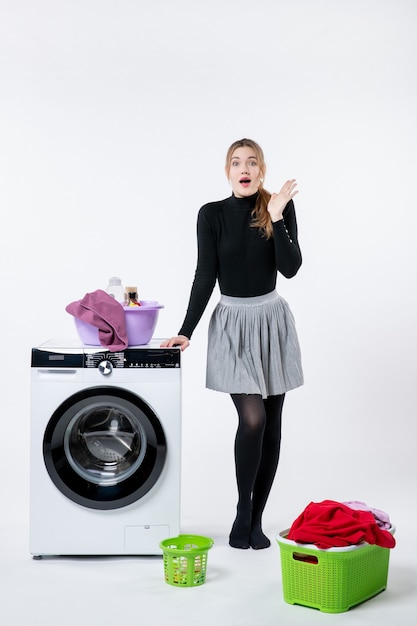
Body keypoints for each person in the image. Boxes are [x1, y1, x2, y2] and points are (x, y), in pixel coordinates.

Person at [161, 138, 303, 549]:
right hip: (233, 326)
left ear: (262, 170)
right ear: (228, 171)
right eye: (237, 162)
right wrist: (186, 329)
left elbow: (290, 269)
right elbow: (205, 274)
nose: (245, 168)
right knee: (253, 419)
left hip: (272, 322)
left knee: (271, 425)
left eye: (252, 162)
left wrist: (276, 216)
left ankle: (255, 519)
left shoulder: (278, 205)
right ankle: (243, 508)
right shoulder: (212, 215)